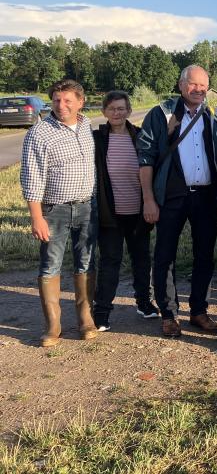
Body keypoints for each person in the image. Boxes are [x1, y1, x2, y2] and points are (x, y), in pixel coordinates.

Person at [137, 65, 217, 338]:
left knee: (205, 256)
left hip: (206, 197)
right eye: (193, 84)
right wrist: (149, 200)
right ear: (180, 85)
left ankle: (199, 311)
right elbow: (145, 159)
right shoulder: (161, 114)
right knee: (165, 255)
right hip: (171, 195)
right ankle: (169, 314)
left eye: (204, 85)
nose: (199, 90)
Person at [21, 79, 97, 346]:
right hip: (54, 210)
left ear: (80, 102)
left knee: (86, 262)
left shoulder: (87, 125)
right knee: (50, 264)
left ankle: (86, 319)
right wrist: (36, 216)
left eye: (67, 100)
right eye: (56, 100)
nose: (61, 105)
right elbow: (32, 178)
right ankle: (53, 326)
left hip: (87, 206)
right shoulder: (39, 133)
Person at [92, 91, 157, 332]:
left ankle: (144, 303)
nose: (117, 113)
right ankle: (101, 312)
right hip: (110, 214)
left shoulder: (140, 137)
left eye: (121, 108)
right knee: (110, 261)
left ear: (129, 111)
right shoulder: (97, 139)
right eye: (112, 109)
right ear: (104, 112)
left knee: (141, 259)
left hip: (138, 212)